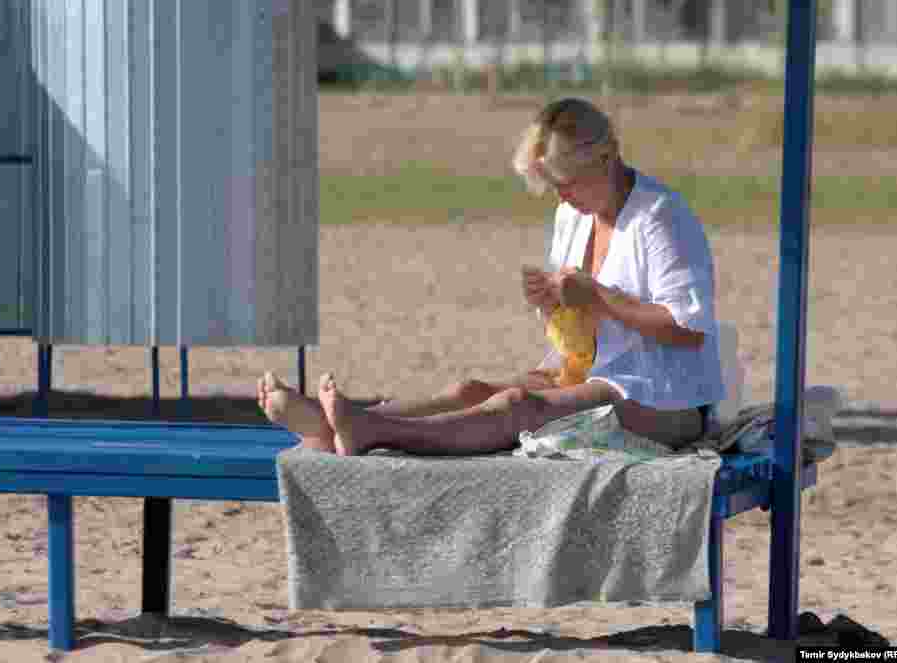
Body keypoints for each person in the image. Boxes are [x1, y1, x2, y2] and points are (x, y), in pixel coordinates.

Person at [257, 97, 724, 457]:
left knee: (520, 407)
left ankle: (371, 430)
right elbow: (584, 321)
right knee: (469, 392)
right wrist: (554, 304)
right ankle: (331, 424)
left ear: (606, 159)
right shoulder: (573, 214)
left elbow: (688, 330)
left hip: (668, 399)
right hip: (594, 371)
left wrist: (599, 297)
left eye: (567, 183)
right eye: (553, 186)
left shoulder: (660, 217)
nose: (560, 197)